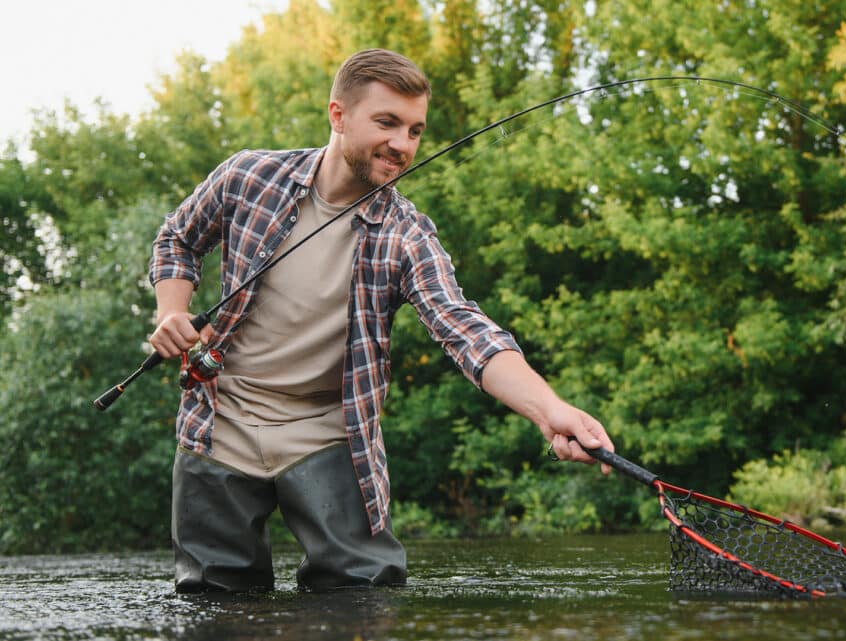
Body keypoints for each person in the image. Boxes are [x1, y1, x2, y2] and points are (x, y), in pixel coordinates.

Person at [147, 48, 614, 593]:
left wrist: (550, 411)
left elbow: (465, 329)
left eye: (415, 131)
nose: (403, 144)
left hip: (329, 434)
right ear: (338, 115)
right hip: (217, 425)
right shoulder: (249, 176)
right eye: (387, 122)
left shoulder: (408, 234)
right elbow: (177, 238)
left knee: (363, 596)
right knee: (212, 607)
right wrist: (171, 311)